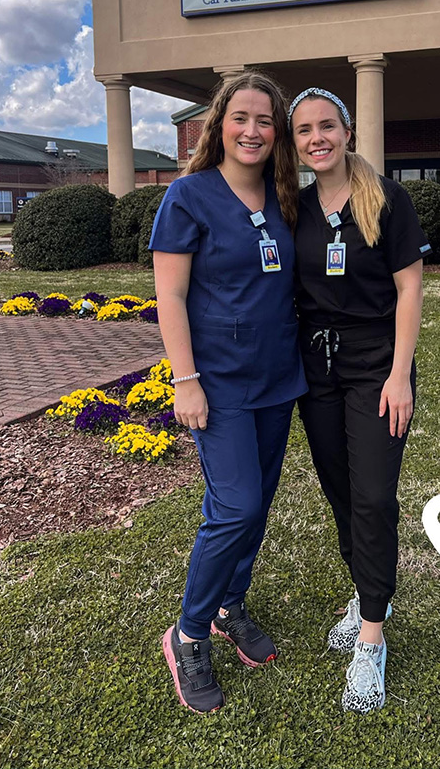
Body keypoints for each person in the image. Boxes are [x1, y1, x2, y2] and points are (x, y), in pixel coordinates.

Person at [150, 71, 306, 714]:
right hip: (217, 384)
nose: (253, 130)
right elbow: (170, 295)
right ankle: (188, 634)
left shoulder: (282, 196)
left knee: (259, 504)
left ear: (277, 133)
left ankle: (227, 605)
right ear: (219, 124)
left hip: (278, 379)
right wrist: (185, 380)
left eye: (265, 120)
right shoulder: (188, 196)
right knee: (235, 506)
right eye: (241, 117)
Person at [289, 87, 429, 714]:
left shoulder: (385, 200)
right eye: (304, 131)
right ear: (295, 144)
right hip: (316, 369)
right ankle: (368, 591)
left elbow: (410, 288)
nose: (317, 138)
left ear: (347, 133)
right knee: (341, 492)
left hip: (377, 365)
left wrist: (400, 374)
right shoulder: (292, 208)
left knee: (373, 496)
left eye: (327, 127)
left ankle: (371, 635)